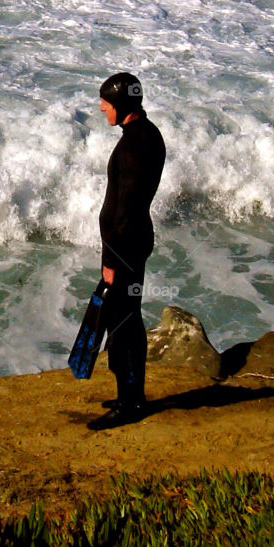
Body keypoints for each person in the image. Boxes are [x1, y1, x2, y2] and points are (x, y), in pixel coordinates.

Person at [88, 71, 166, 430]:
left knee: (123, 323)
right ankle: (129, 395)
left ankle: (130, 403)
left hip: (127, 246)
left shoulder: (135, 147)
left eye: (107, 104)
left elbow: (127, 210)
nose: (103, 110)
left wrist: (111, 262)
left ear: (122, 105)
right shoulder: (146, 135)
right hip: (133, 242)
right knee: (127, 317)